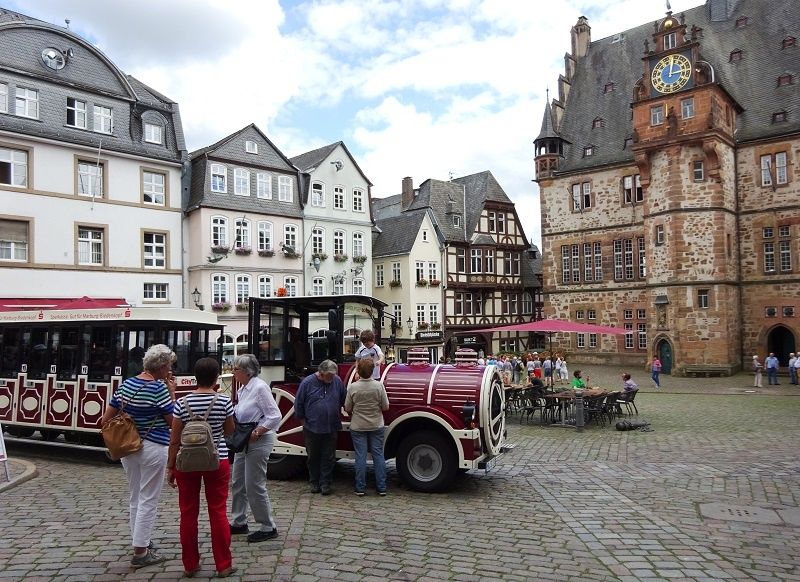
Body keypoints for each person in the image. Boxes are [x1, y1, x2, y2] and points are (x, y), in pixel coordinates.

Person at [100, 344, 176, 568]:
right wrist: (171, 393)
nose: (170, 370)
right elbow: (172, 422)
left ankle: (139, 540)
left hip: (127, 446)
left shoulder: (127, 384)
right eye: (169, 365)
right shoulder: (158, 389)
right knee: (149, 499)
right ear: (161, 367)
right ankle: (141, 551)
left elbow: (106, 419)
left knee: (135, 496)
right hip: (153, 446)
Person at [167, 358, 236, 578]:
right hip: (217, 460)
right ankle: (223, 565)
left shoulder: (182, 402)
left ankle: (190, 564)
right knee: (218, 512)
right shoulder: (223, 401)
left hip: (186, 463)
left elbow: (175, 439)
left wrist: (170, 467)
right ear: (217, 377)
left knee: (188, 514)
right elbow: (229, 430)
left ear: (195, 376)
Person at [229, 353, 283, 543]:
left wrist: (259, 431)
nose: (233, 372)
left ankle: (268, 525)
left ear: (246, 371)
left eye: (235, 369)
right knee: (237, 481)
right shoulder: (243, 389)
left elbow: (275, 415)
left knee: (254, 484)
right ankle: (238, 521)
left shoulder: (260, 388)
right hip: (244, 438)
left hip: (258, 439)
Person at [294, 359, 346, 495]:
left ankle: (326, 483)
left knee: (329, 456)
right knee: (313, 456)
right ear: (321, 373)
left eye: (333, 375)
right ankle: (314, 482)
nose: (332, 378)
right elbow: (299, 402)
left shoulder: (337, 381)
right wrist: (302, 420)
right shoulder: (307, 383)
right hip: (312, 426)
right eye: (329, 376)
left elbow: (343, 398)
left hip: (331, 425)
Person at [345, 358, 390, 496]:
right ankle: (381, 487)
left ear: (358, 371)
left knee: (360, 456)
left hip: (358, 425)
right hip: (376, 424)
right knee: (378, 455)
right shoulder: (378, 386)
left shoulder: (353, 387)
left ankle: (360, 487)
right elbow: (385, 406)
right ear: (372, 371)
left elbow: (347, 407)